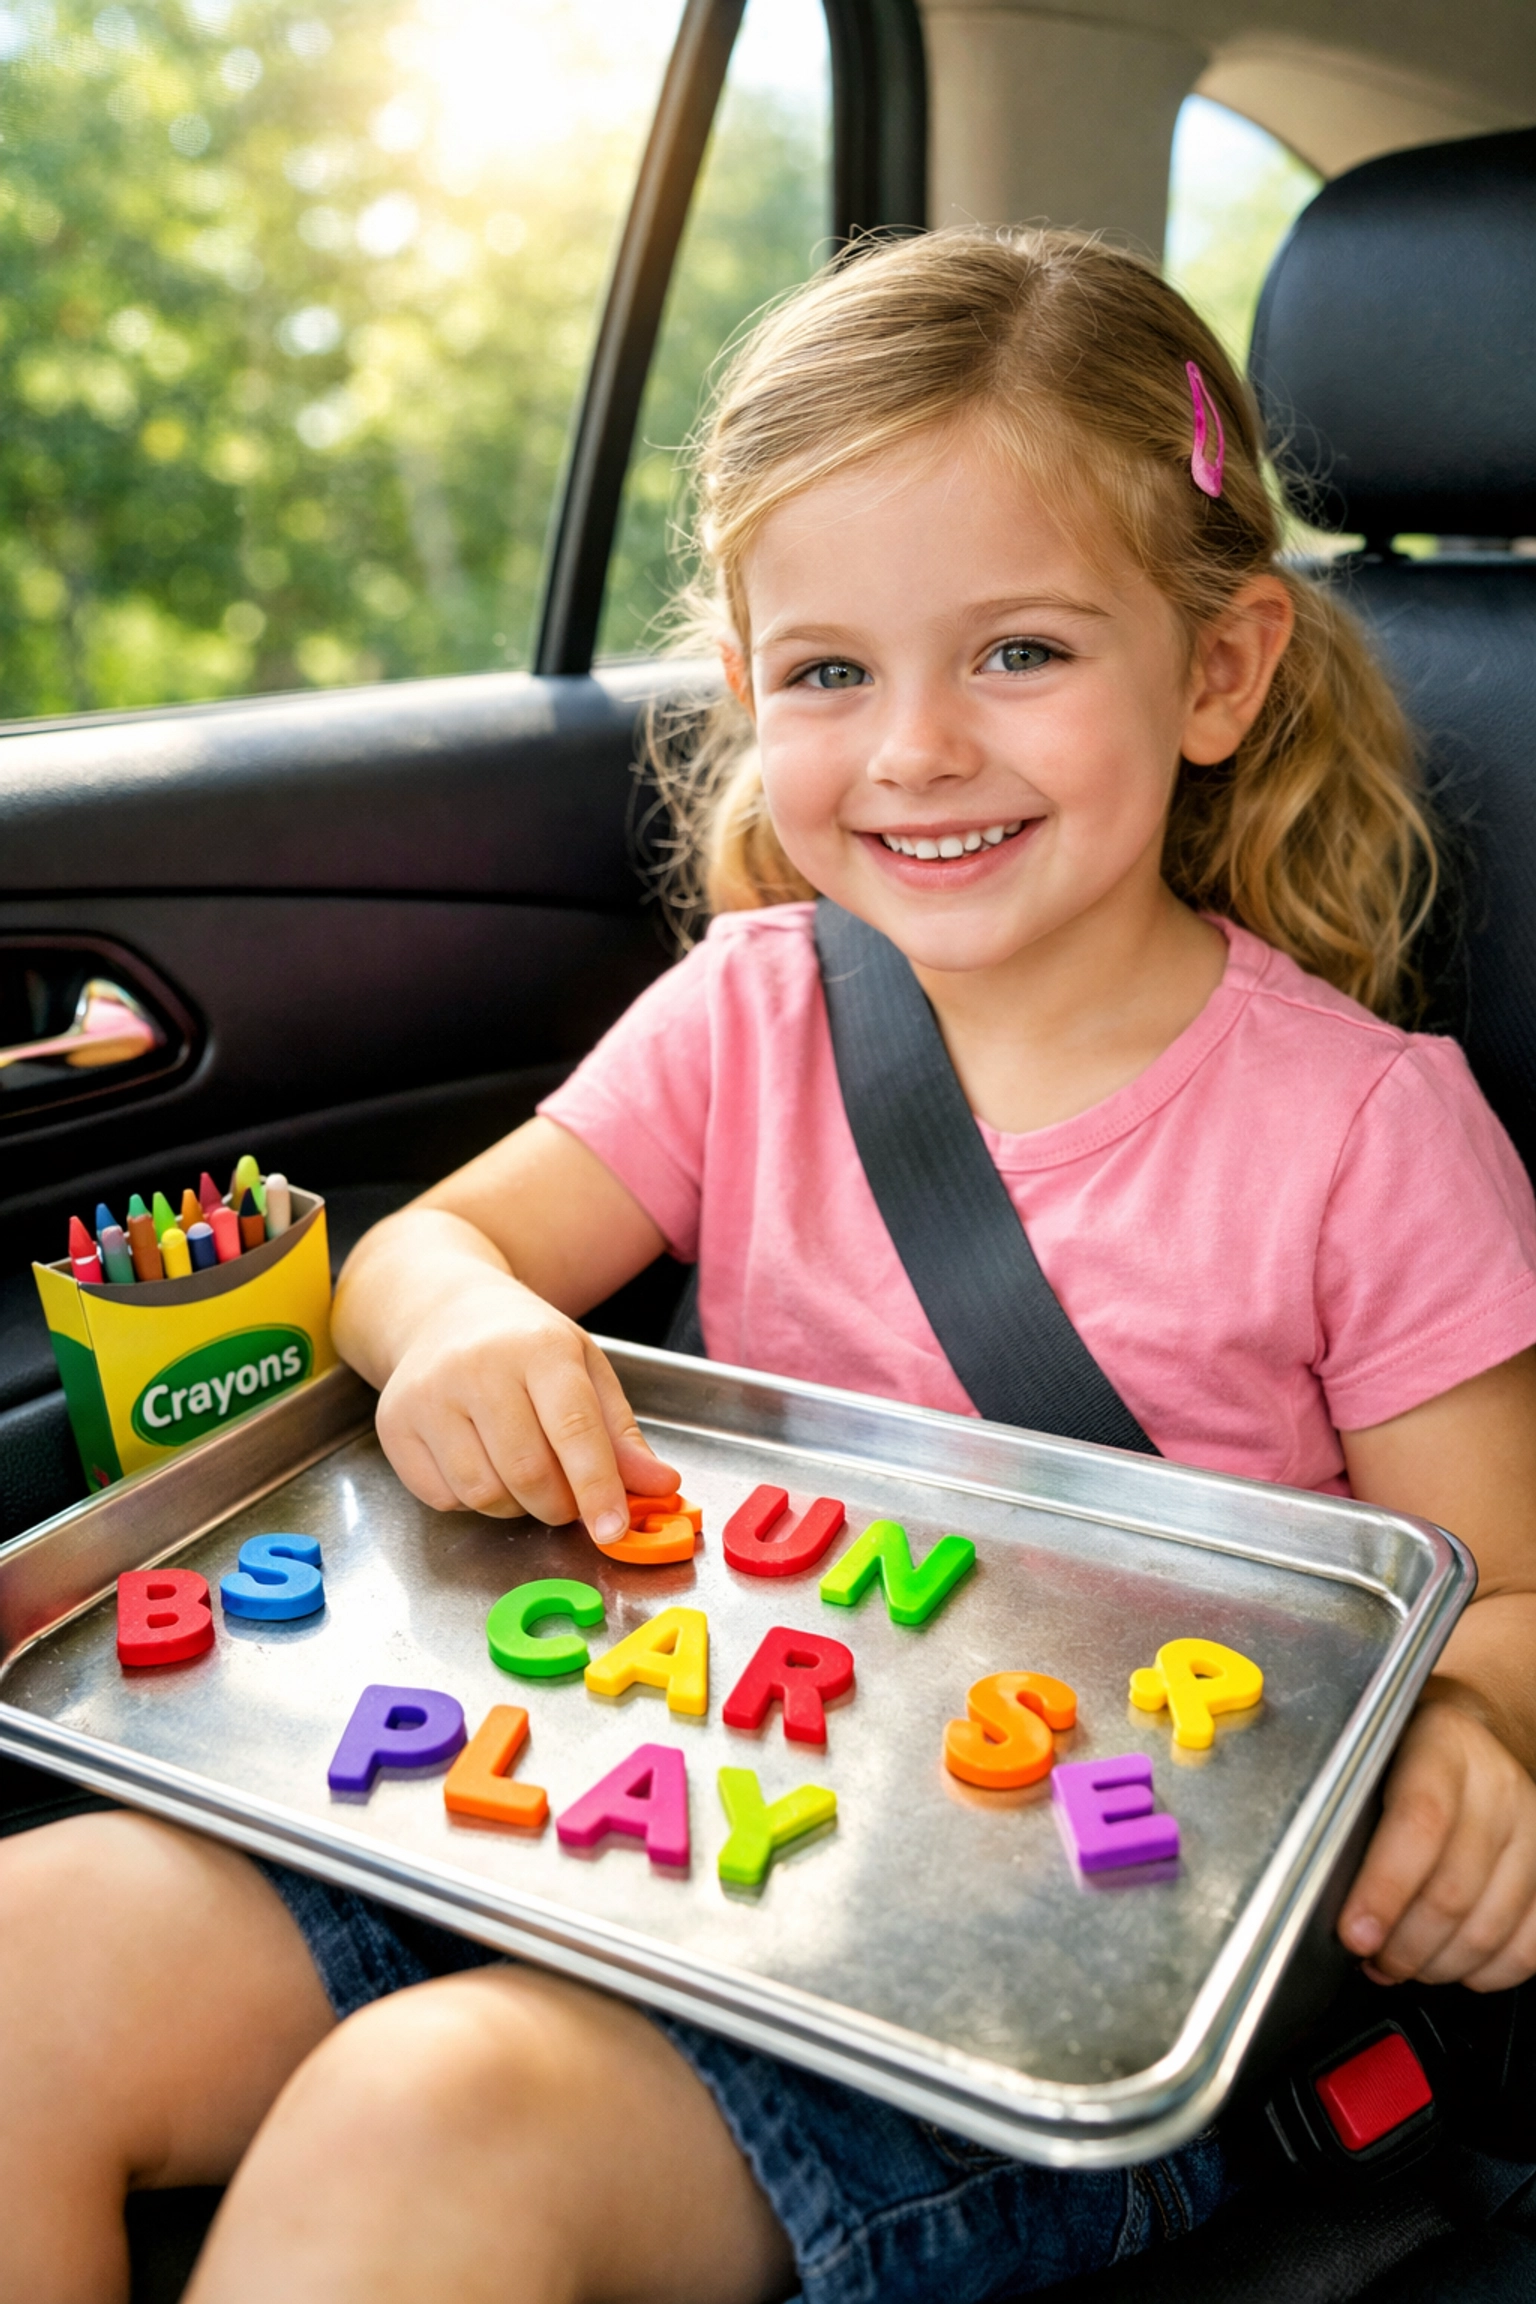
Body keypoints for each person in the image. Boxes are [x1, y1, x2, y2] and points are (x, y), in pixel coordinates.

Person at [3, 227, 1535, 2304]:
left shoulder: (1366, 1134)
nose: (911, 749)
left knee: (426, 2126)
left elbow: (1506, 1593)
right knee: (31, 1966)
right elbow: (434, 1246)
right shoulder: (750, 1014)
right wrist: (458, 1318)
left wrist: (1454, 1737)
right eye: (828, 671)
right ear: (745, 689)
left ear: (1222, 670)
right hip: (619, 1779)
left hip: (1039, 1964)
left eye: (1018, 654)